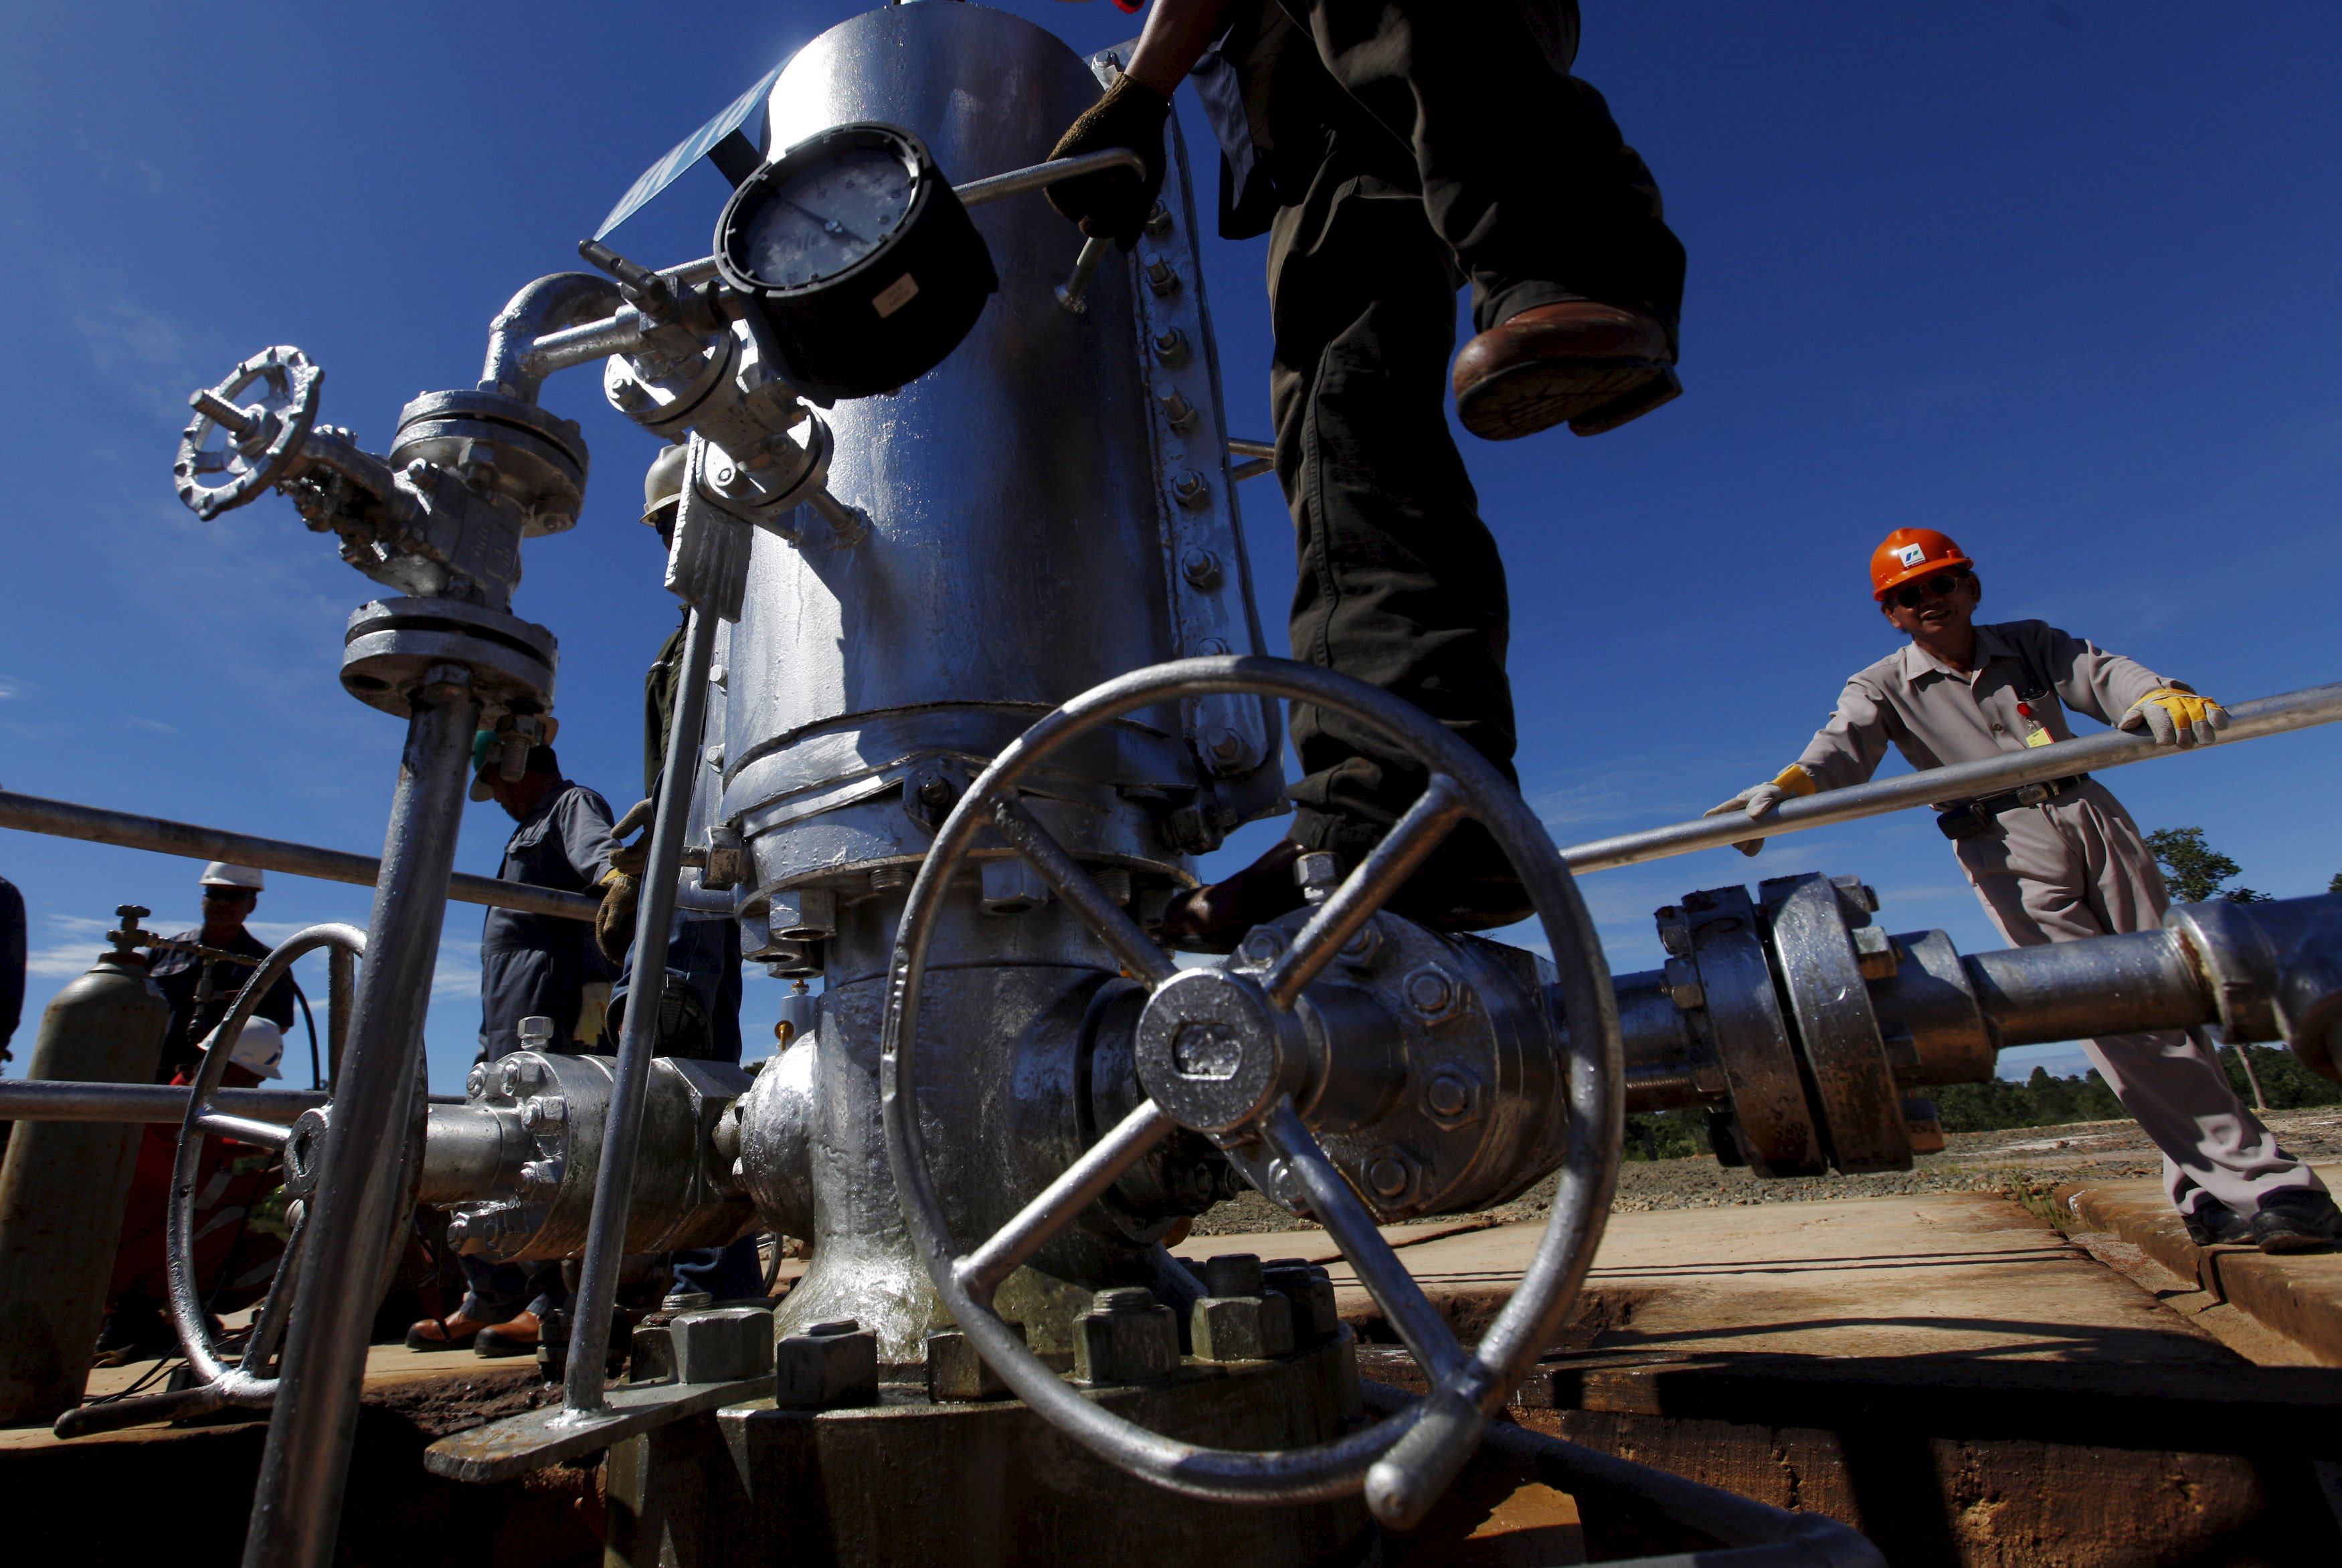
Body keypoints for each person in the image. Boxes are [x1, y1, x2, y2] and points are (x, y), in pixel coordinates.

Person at [1044, 0, 1686, 946]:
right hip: (1318, 123)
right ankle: (1398, 803)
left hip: (1413, 37)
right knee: (1342, 415)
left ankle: (1569, 254)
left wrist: (1140, 94)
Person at [1709, 528, 2340, 1254]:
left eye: (1941, 583)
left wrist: (2157, 694)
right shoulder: (1880, 685)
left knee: (2179, 994)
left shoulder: (2031, 644)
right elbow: (1840, 747)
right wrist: (1788, 790)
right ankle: (2270, 1186)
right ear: (1890, 614)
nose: (1928, 601)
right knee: (2112, 1009)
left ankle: (2200, 1189)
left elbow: (2103, 675)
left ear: (1971, 587)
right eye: (1907, 596)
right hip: (2002, 842)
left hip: (2090, 813)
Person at [602, 445, 760, 1306]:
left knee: (680, 1044)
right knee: (668, 1053)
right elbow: (679, 768)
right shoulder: (681, 645)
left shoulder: (746, 626)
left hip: (704, 874)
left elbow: (716, 758)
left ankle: (708, 1283)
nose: (673, 545)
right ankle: (695, 1270)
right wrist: (637, 865)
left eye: (683, 524)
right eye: (663, 530)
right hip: (679, 876)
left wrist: (660, 859)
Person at [408, 739, 618, 1355]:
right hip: (505, 1013)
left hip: (547, 1008)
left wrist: (620, 885)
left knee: (541, 1144)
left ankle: (550, 1300)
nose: (497, 796)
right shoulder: (527, 827)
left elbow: (605, 865)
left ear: (518, 764)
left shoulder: (571, 805)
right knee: (485, 1139)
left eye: (496, 781)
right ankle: (491, 1294)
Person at [147, 863, 296, 1086]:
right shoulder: (164, 952)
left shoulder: (270, 965)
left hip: (219, 1086)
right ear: (203, 898)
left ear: (252, 904)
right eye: (215, 893)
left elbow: (275, 1029)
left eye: (235, 896)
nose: (223, 903)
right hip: (148, 1076)